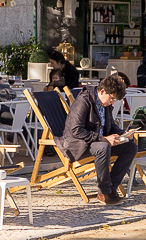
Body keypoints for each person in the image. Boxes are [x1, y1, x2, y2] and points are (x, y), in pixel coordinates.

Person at [56, 74, 137, 205]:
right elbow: (75, 130)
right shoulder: (83, 101)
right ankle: (103, 192)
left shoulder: (105, 104)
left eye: (114, 101)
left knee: (130, 147)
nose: (112, 103)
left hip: (97, 141)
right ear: (103, 91)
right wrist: (103, 139)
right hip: (79, 145)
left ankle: (111, 188)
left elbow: (111, 125)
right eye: (111, 99)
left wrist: (123, 134)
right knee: (103, 147)